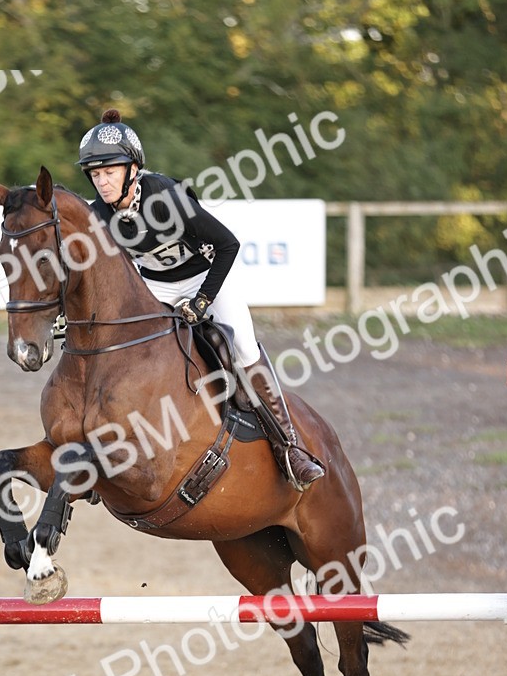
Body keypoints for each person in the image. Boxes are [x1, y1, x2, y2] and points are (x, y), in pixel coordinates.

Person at [77, 109, 325, 491]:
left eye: (110, 171)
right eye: (95, 174)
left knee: (242, 346)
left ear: (132, 169)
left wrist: (203, 300)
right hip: (155, 286)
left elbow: (228, 244)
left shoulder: (165, 197)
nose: (102, 182)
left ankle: (288, 446)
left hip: (205, 276)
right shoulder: (98, 215)